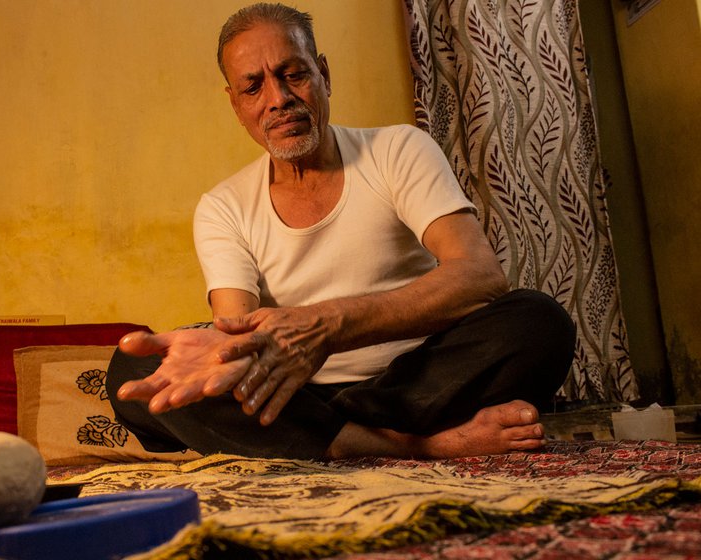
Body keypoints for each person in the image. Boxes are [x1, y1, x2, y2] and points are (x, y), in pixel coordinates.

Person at [106, 2, 575, 461]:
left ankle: (321, 437)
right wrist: (219, 352)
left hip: (419, 379)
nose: (278, 99)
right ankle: (425, 444)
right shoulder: (222, 207)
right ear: (235, 104)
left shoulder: (398, 149)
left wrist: (326, 327)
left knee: (538, 321)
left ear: (324, 74)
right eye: (253, 87)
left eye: (293, 74)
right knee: (132, 371)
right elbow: (238, 333)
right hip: (298, 389)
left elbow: (479, 278)